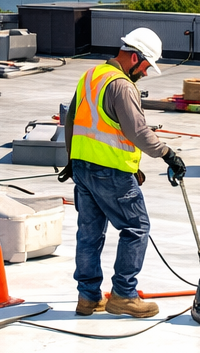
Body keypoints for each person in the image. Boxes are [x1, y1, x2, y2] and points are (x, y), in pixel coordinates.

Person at [63, 28, 186, 319]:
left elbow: (72, 119)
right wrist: (168, 154)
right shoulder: (122, 86)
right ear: (134, 57)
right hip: (110, 173)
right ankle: (124, 295)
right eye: (145, 66)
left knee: (89, 234)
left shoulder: (91, 76)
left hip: (83, 168)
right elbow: (138, 131)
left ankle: (88, 298)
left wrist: (72, 159)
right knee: (136, 228)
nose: (144, 72)